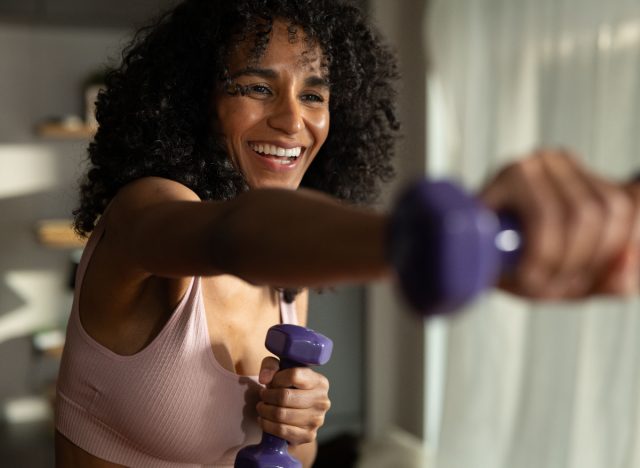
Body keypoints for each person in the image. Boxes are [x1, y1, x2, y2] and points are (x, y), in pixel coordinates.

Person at [54, 0, 640, 467]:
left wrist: (299, 423)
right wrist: (430, 238)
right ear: (193, 101)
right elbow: (233, 236)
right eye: (256, 88)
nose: (292, 121)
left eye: (314, 94)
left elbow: (292, 454)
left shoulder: (286, 289)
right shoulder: (148, 212)